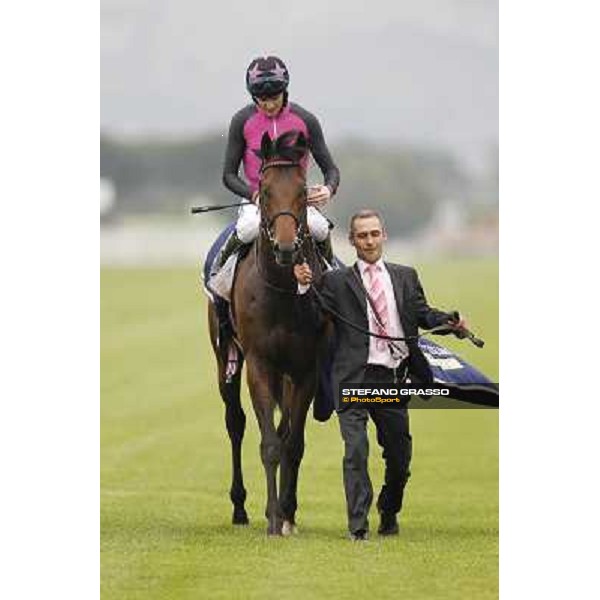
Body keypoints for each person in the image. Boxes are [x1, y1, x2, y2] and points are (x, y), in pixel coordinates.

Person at [293, 209, 467, 541]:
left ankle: (389, 510)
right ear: (352, 240)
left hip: (391, 381)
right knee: (356, 451)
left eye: (374, 234)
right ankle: (358, 527)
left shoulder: (406, 276)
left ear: (383, 235)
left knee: (400, 457)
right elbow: (309, 320)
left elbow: (423, 314)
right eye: (362, 235)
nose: (369, 240)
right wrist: (303, 288)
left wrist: (452, 322)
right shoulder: (335, 282)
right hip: (353, 381)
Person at [218, 55, 340, 266]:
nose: (269, 104)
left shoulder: (306, 120)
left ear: (285, 90)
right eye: (262, 99)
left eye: (274, 97)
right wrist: (253, 195)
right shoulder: (241, 121)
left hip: (296, 200)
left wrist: (328, 189)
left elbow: (331, 170)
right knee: (248, 228)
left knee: (319, 228)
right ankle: (221, 273)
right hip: (257, 200)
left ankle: (332, 274)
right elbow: (229, 175)